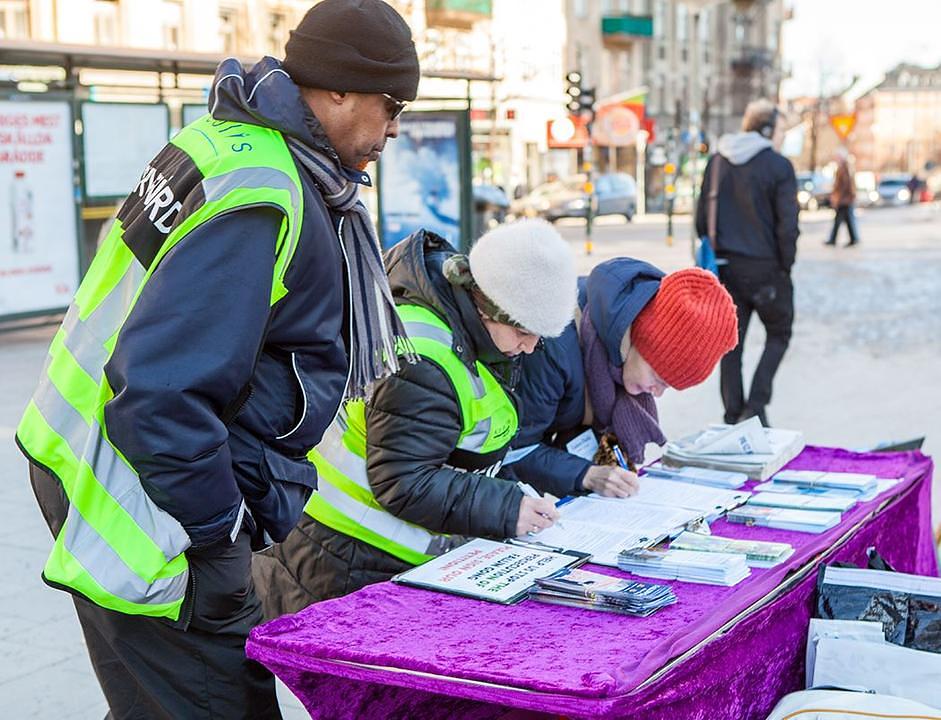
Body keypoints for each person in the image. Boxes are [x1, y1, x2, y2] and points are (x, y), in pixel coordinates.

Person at [14, 1, 420, 717]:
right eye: (392, 105)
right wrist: (217, 539)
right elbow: (162, 395)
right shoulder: (268, 193)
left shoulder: (225, 141)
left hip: (89, 463)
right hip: (151, 510)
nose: (395, 127)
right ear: (336, 88)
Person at [252, 220, 578, 616]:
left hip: (356, 553)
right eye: (524, 332)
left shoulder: (472, 331)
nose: (530, 348)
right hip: (341, 560)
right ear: (488, 306)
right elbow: (404, 481)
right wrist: (506, 507)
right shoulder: (423, 357)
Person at [504, 259, 739, 495]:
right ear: (643, 341)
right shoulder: (555, 346)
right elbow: (512, 449)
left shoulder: (621, 352)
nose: (656, 392)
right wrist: (584, 474)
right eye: (659, 378)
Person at [695, 98, 800, 427]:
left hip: (726, 269)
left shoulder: (717, 161)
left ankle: (733, 413)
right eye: (781, 129)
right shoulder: (779, 166)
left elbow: (701, 221)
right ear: (768, 129)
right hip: (767, 269)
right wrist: (785, 265)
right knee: (779, 333)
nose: (782, 136)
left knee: (730, 343)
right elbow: (788, 225)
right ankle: (755, 406)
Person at [826, 151, 859, 247]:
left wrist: (837, 198)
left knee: (839, 220)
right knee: (846, 220)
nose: (836, 159)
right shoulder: (846, 168)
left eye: (837, 157)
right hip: (845, 199)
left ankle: (834, 239)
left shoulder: (843, 169)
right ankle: (853, 238)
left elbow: (843, 186)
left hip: (844, 200)